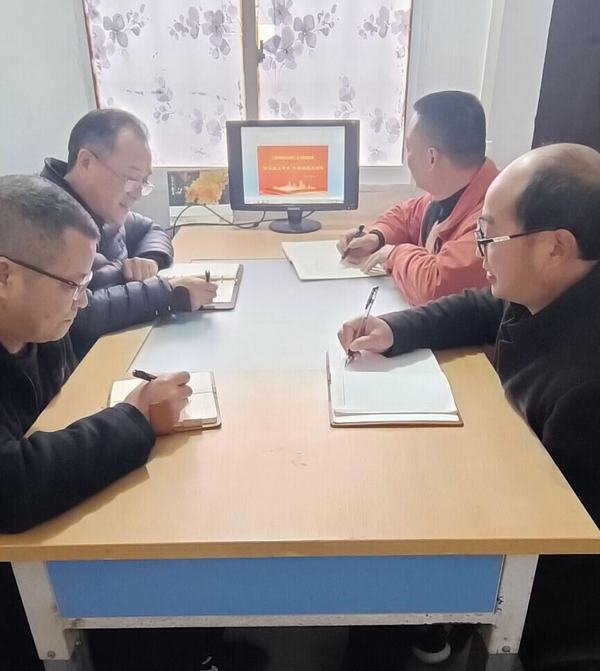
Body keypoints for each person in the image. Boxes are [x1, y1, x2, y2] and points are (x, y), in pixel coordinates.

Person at [339, 143, 600, 666]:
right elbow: (481, 306)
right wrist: (394, 328)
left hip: (556, 594)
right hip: (515, 495)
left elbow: (559, 542)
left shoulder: (586, 389)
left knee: (379, 537)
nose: (479, 250)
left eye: (489, 236)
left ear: (555, 247)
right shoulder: (556, 288)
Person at [0, 175, 261, 670]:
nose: (83, 301)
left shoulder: (37, 325)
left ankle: (192, 646)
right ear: (5, 276)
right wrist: (136, 417)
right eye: (72, 285)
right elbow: (10, 485)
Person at [337, 90, 499, 305]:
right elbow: (405, 216)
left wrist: (395, 254)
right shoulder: (449, 192)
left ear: (432, 157)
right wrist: (377, 238)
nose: (408, 159)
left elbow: (436, 286)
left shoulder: (494, 219)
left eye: (409, 149)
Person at [41, 108, 174, 290]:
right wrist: (170, 292)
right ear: (86, 163)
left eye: (143, 181)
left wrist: (150, 259)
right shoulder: (47, 223)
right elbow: (82, 304)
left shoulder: (103, 208)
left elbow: (151, 230)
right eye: (131, 178)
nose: (136, 194)